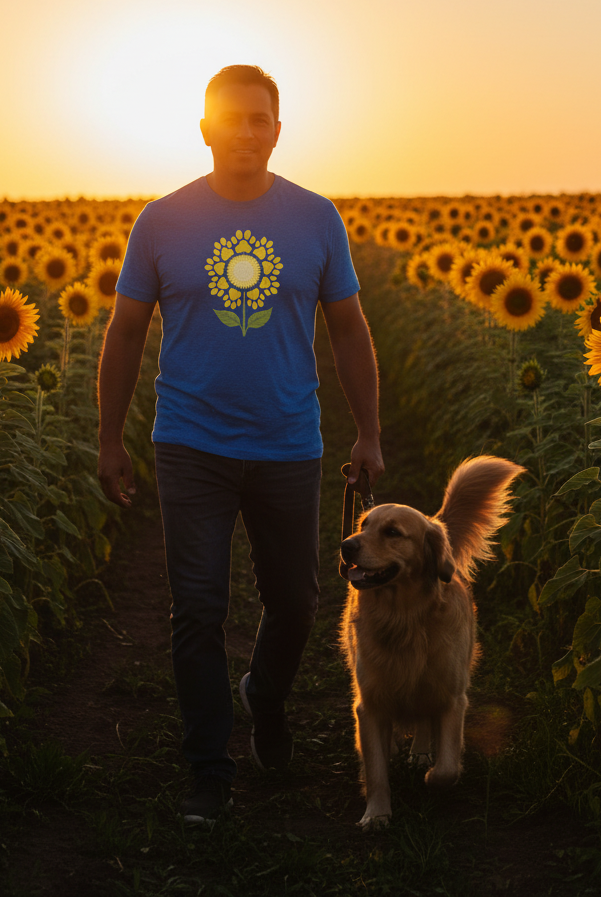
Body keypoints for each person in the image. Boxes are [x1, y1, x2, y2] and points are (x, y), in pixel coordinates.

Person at [96, 64, 383, 824]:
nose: (246, 133)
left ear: (278, 131)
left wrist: (370, 430)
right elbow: (125, 331)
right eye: (231, 120)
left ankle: (266, 694)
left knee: (296, 600)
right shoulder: (160, 222)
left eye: (260, 120)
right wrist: (109, 439)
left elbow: (349, 327)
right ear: (204, 129)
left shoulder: (317, 219)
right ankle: (208, 769)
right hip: (191, 442)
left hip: (291, 442)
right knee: (197, 608)